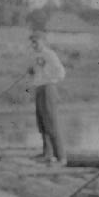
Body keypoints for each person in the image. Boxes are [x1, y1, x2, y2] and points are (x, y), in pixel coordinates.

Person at [28, 30, 67, 167]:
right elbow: (37, 71)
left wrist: (49, 79)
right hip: (39, 89)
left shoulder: (49, 54)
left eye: (36, 42)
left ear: (43, 41)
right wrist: (33, 71)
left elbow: (61, 72)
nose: (33, 44)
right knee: (42, 123)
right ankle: (48, 154)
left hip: (48, 88)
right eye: (32, 42)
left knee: (51, 122)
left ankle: (61, 158)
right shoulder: (35, 56)